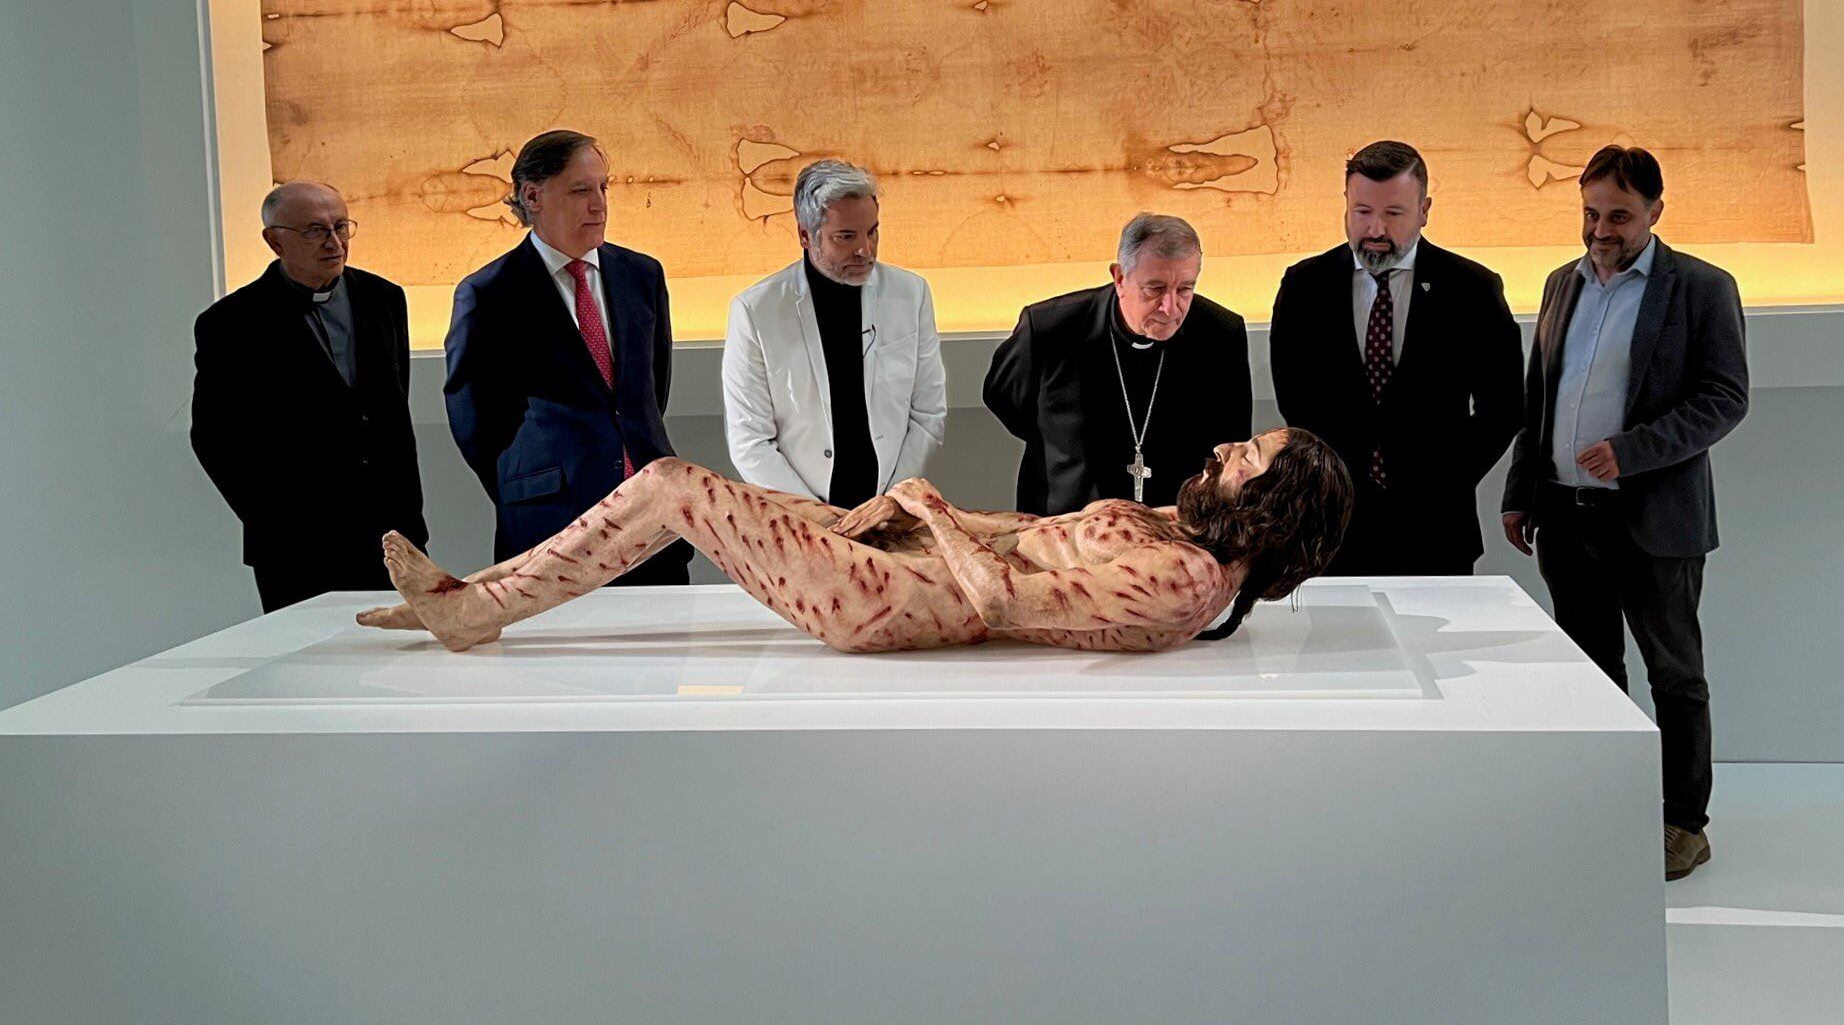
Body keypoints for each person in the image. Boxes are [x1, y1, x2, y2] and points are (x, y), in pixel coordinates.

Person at [356, 427, 1352, 655]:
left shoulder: (1184, 582)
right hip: (911, 560)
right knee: (687, 493)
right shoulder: (1180, 532)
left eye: (1247, 457)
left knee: (669, 486)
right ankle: (468, 597)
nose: (1225, 449)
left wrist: (929, 515)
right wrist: (920, 511)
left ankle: (473, 612)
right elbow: (1027, 535)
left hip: (897, 603)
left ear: (1273, 508)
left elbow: (1004, 600)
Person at [1501, 145, 1749, 882]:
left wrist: (1631, 451)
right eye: (1590, 213)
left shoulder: (1702, 288)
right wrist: (1520, 490)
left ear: (1655, 212)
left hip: (1654, 519)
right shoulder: (1561, 284)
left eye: (1618, 216)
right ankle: (1606, 806)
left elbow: (1724, 398)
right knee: (1589, 673)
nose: (1600, 230)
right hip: (1564, 516)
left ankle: (1684, 824)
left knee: (1674, 675)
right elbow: (1539, 399)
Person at [1270, 140, 1523, 576]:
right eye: (1362, 211)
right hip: (1333, 528)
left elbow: (1504, 407)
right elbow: (1295, 401)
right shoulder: (1304, 286)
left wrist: (1447, 478)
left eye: (1393, 213)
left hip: (1436, 528)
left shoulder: (1472, 289)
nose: (1376, 229)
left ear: (1424, 210)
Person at [444, 129, 683, 585]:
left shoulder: (641, 274)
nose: (599, 205)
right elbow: (475, 422)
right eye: (580, 191)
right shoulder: (489, 293)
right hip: (548, 529)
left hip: (652, 523)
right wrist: (530, 486)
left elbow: (650, 392)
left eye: (603, 188)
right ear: (532, 196)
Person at [191, 182, 427, 612]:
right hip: (295, 548)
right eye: (316, 230)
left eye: (341, 226)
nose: (335, 242)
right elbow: (214, 438)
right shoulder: (231, 323)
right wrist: (272, 519)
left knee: (403, 652)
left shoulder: (385, 298)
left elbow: (391, 410)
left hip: (393, 536)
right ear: (275, 241)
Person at [983, 214, 1252, 515]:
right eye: (1155, 288)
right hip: (1064, 524)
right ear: (1120, 278)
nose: (1170, 307)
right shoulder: (1049, 329)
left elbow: (1230, 445)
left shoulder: (1221, 334)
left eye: (1185, 289)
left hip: (1178, 526)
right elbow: (1004, 400)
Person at [722, 159, 946, 507]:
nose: (865, 250)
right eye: (846, 237)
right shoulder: (755, 311)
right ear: (805, 235)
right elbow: (750, 441)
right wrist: (818, 517)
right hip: (798, 516)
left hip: (891, 506)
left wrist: (889, 502)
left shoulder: (911, 294)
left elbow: (928, 414)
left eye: (872, 232)